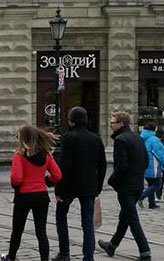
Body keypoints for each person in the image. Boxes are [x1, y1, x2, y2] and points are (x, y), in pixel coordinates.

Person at [0, 124, 62, 261]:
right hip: (41, 196)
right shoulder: (45, 154)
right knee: (41, 232)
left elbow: (16, 178)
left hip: (23, 196)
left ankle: (11, 257)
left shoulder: (19, 155)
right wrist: (47, 181)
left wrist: (16, 185)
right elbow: (57, 175)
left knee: (17, 230)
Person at [54, 106, 107, 261]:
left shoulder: (69, 138)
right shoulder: (96, 138)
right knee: (88, 223)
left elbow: (65, 166)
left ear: (71, 120)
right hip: (89, 186)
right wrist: (98, 186)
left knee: (61, 217)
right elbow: (102, 165)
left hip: (70, 186)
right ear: (85, 120)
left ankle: (64, 253)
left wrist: (59, 189)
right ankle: (88, 256)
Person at [97, 110, 151, 260]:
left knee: (132, 218)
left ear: (121, 123)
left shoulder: (121, 140)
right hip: (137, 184)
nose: (110, 125)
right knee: (125, 216)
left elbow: (121, 167)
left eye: (112, 122)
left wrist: (112, 181)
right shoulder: (137, 138)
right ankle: (112, 245)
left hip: (126, 186)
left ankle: (145, 252)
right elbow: (146, 161)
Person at [139, 120, 164, 209]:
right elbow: (160, 154)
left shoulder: (140, 138)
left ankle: (152, 203)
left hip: (143, 165)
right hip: (153, 166)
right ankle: (141, 196)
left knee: (151, 184)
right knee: (157, 184)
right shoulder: (154, 140)